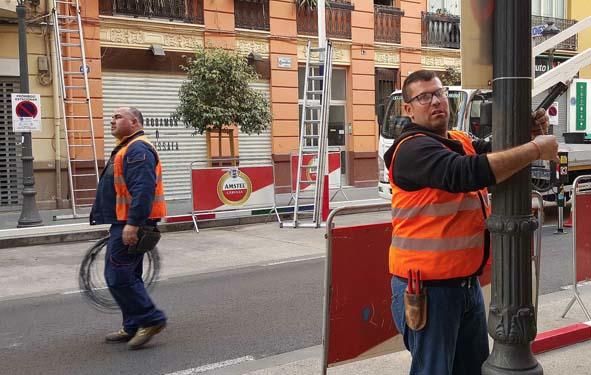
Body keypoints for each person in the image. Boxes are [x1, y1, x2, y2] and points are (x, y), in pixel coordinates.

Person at [384, 70, 558, 375]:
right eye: (424, 97)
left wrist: (526, 131)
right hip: (428, 291)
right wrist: (535, 150)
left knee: (473, 370)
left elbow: (495, 153)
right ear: (408, 109)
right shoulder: (411, 149)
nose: (435, 101)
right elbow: (468, 172)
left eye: (439, 93)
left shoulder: (458, 139)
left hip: (465, 286)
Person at [90, 106, 167, 350]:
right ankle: (133, 324)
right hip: (124, 222)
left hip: (131, 224)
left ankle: (151, 319)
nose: (111, 120)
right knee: (130, 275)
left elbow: (143, 190)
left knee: (118, 277)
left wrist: (132, 224)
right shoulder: (128, 147)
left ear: (134, 122)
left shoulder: (137, 149)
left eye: (118, 117)